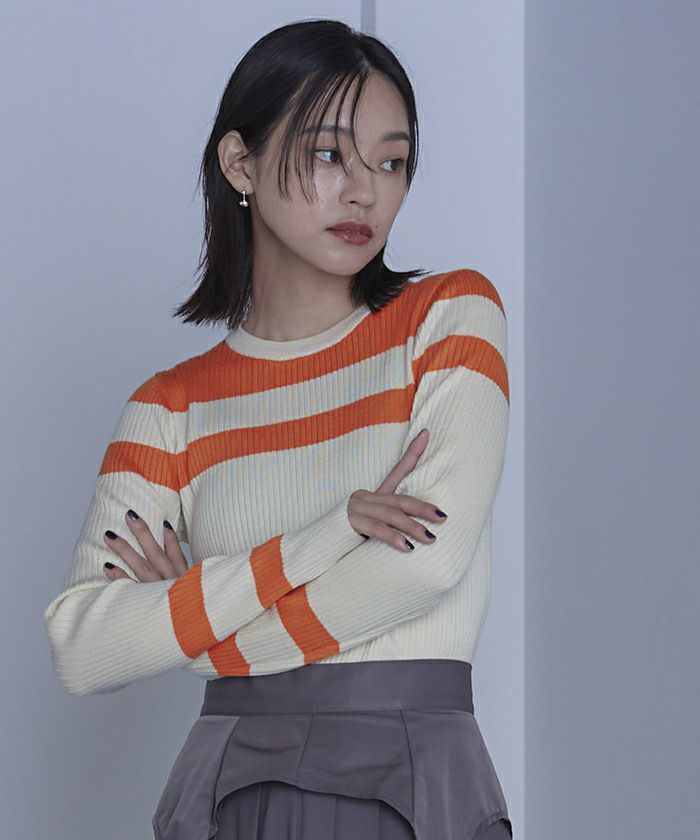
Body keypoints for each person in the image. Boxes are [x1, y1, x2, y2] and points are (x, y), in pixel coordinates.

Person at [43, 18, 512, 840]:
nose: (364, 192)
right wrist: (325, 537)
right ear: (240, 163)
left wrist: (195, 632)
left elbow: (426, 565)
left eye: (391, 162)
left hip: (408, 781)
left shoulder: (447, 317)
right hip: (228, 787)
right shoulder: (171, 406)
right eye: (329, 154)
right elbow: (83, 648)